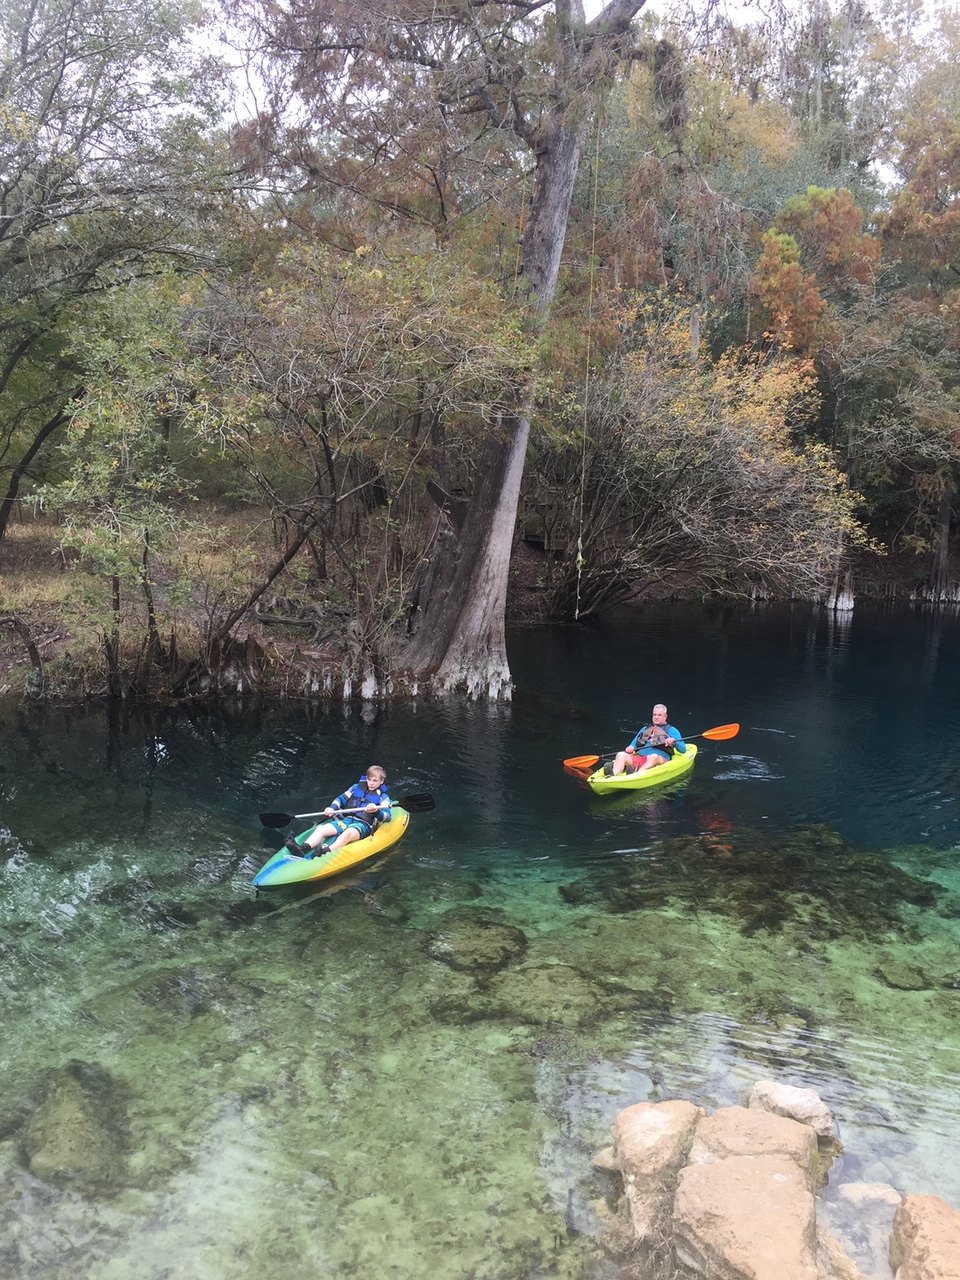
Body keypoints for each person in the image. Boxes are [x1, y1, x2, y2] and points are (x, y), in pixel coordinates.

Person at [284, 764, 392, 858]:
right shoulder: (356, 788)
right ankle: (303, 849)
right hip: (346, 820)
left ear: (381, 781)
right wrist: (332, 808)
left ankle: (327, 851)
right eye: (369, 780)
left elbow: (387, 817)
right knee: (322, 829)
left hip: (363, 825)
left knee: (348, 833)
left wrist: (376, 811)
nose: (371, 783)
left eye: (375, 781)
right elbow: (340, 799)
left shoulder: (383, 798)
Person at [608, 704, 686, 777]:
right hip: (641, 758)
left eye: (659, 715)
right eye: (654, 715)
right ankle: (613, 775)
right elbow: (633, 745)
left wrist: (674, 742)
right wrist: (630, 748)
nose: (656, 717)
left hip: (659, 759)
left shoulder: (672, 730)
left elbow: (683, 750)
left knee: (653, 756)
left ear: (665, 716)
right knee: (620, 754)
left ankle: (636, 775)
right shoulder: (645, 729)